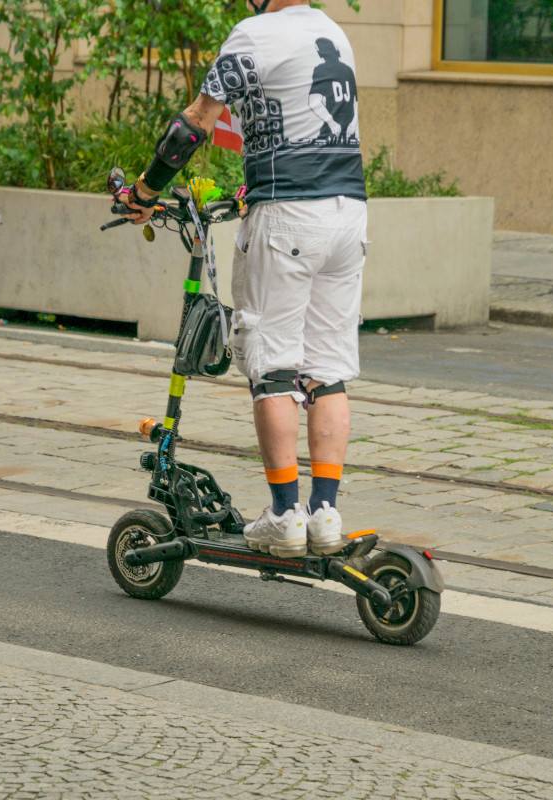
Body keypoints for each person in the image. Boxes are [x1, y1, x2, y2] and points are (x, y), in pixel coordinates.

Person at [120, 0, 368, 559]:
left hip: (289, 214)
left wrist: (146, 191)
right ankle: (324, 513)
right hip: (348, 214)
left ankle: (284, 516)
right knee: (327, 370)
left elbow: (194, 124)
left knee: (272, 366)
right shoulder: (334, 33)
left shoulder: (255, 33)